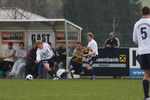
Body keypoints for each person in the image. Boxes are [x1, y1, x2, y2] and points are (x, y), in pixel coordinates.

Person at [133, 7, 150, 100]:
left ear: (141, 13)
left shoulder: (137, 24)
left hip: (142, 52)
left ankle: (146, 97)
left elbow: (134, 39)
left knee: (146, 75)